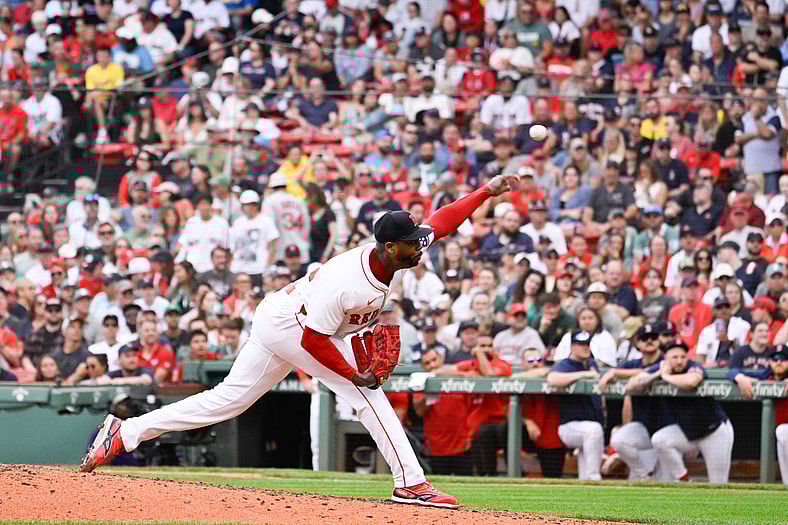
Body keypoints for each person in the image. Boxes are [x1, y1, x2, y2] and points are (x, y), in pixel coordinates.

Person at [81, 174, 520, 507]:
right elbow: (313, 341)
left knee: (227, 400)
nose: (418, 247)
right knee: (366, 395)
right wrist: (354, 373)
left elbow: (441, 223)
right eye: (409, 244)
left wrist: (485, 192)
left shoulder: (396, 253)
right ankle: (411, 482)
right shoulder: (350, 281)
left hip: (288, 315)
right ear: (389, 247)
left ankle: (126, 432)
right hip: (294, 324)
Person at [629, 340, 734, 483]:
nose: (679, 361)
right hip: (687, 431)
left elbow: (691, 381)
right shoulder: (659, 368)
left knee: (718, 483)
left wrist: (666, 377)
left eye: (682, 357)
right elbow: (632, 384)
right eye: (674, 357)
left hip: (713, 430)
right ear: (665, 360)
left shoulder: (693, 366)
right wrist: (657, 374)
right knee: (660, 440)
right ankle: (683, 478)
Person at [601, 323, 672, 481]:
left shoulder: (667, 360)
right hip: (644, 427)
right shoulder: (632, 364)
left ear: (659, 340)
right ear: (637, 342)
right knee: (618, 440)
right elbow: (621, 373)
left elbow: (650, 371)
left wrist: (615, 372)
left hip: (669, 427)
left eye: (653, 337)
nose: (649, 341)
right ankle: (643, 473)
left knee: (668, 484)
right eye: (644, 338)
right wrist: (613, 373)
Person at [547, 329, 604, 480]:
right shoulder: (567, 364)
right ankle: (594, 478)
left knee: (592, 437)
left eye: (587, 344)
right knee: (593, 430)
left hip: (591, 423)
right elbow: (552, 379)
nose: (585, 347)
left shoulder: (591, 363)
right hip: (570, 425)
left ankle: (587, 488)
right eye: (580, 344)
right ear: (572, 346)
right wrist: (582, 375)